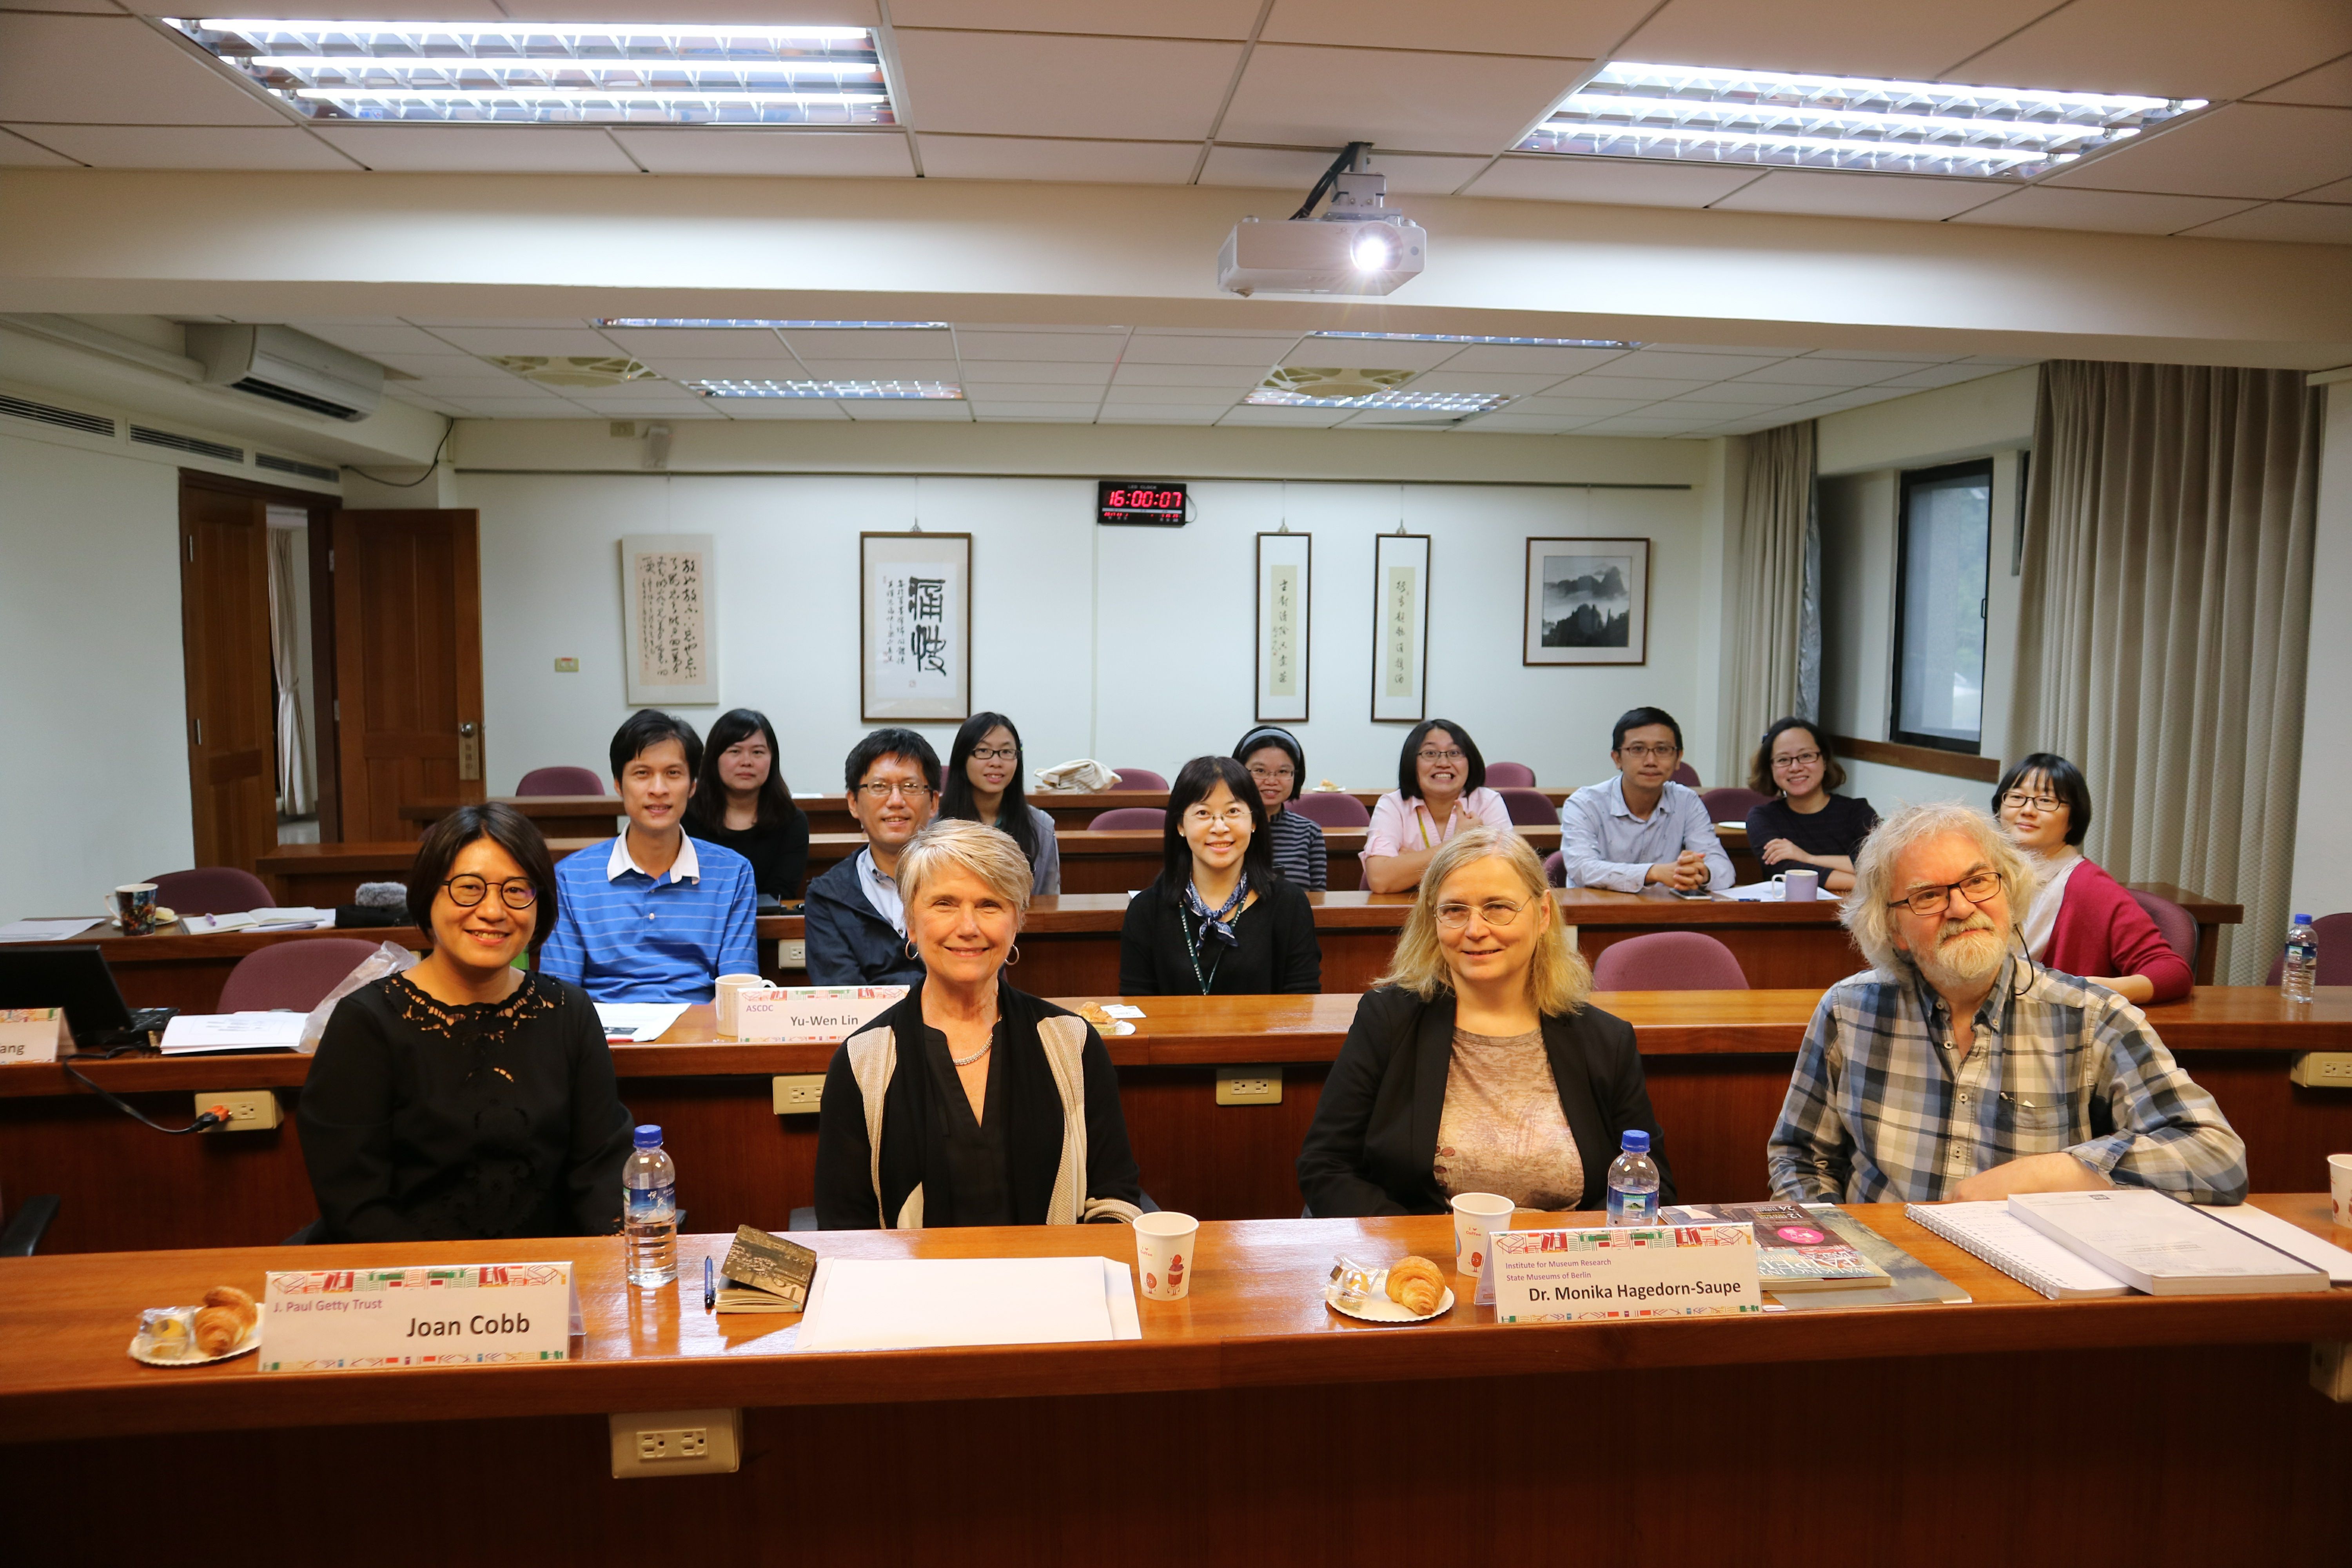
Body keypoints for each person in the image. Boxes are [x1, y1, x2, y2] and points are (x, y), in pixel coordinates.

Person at [1766, 801, 2245, 1206]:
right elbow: (1800, 1156)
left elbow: (2217, 1158)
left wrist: (2055, 1173)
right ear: (1894, 931)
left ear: (2010, 890)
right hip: (1886, 1275)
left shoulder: (2093, 1018)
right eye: (1928, 896)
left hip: (2035, 1287)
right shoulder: (1849, 1011)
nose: (1961, 907)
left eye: (1978, 882)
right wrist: (1832, 1245)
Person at [299, 803, 634, 1242]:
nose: (493, 911)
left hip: (544, 1281)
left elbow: (601, 1172)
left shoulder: (568, 1012)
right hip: (407, 1286)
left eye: (516, 891)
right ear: (428, 895)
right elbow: (356, 1202)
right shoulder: (367, 1023)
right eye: (469, 888)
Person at [1297, 828, 1672, 1217]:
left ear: (1543, 914)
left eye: (1498, 907)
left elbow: (1653, 1184)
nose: (1476, 930)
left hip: (1559, 1269)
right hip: (1424, 1265)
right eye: (1455, 910)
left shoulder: (1605, 1039)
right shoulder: (1388, 1020)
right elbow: (1325, 1165)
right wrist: (1425, 1248)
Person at [814, 819, 1145, 1228]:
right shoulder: (863, 1059)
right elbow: (845, 1229)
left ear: (1017, 920)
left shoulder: (1072, 1042)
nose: (968, 928)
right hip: (912, 1289)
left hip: (1055, 1284)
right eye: (945, 904)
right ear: (911, 923)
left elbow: (1115, 1198)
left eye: (990, 905)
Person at [540, 710, 757, 1002]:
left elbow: (739, 995)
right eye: (642, 774)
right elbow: (559, 997)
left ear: (693, 785)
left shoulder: (733, 873)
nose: (658, 790)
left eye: (673, 773)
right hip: (602, 1038)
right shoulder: (571, 877)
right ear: (618, 784)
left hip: (698, 1036)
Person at [1993, 752, 2191, 1005]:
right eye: (2017, 798)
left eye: (2045, 801)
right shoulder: (1981, 872)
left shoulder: (2090, 886)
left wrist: (2086, 991)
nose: (2028, 810)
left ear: (2073, 818)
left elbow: (2173, 973)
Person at [1118, 756, 1321, 995]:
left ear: (1254, 820)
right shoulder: (1146, 909)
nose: (1220, 827)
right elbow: (1137, 1008)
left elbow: (1303, 1005)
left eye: (1233, 811)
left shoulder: (1289, 903)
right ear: (1181, 825)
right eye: (1203, 813)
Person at [804, 728, 940, 986]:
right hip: (864, 1027)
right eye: (879, 787)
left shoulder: (962, 883)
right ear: (853, 803)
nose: (896, 800)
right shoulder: (829, 895)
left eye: (910, 786)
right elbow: (842, 996)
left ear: (933, 802)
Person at [1559, 706, 1733, 893]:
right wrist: (1653, 873)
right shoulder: (1585, 804)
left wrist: (1700, 872)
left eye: (1662, 749)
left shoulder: (1686, 801)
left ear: (1678, 758)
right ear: (1617, 758)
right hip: (1600, 917)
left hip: (1671, 916)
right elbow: (1582, 869)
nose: (1651, 760)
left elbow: (1723, 868)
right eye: (1638, 749)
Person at [1361, 719, 1513, 894]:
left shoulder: (1488, 802)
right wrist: (1461, 843)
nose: (1443, 763)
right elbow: (1380, 879)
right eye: (1431, 753)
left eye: (1455, 753)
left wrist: (1412, 866)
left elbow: (1505, 875)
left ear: (1470, 760)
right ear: (1412, 761)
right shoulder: (1393, 805)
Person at [684, 707, 809, 901]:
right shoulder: (686, 816)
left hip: (765, 925)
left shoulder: (791, 821)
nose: (747, 762)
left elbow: (781, 893)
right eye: (735, 751)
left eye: (758, 752)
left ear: (772, 760)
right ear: (714, 759)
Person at [1744, 717, 1877, 893]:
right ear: (1770, 768)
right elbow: (1786, 871)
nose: (1796, 767)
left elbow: (1878, 865)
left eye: (1806, 756)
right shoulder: (1762, 818)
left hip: (1856, 917)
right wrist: (1865, 883)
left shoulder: (1857, 811)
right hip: (1788, 916)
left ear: (1825, 761)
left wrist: (1807, 858)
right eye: (1783, 760)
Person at [938, 711, 1059, 896]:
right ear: (962, 758)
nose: (996, 762)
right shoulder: (934, 823)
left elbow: (1049, 901)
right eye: (983, 751)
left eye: (1006, 752)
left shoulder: (1041, 826)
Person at [1234, 724, 1327, 891]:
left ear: (1296, 776)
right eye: (1260, 771)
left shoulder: (1309, 832)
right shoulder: (1226, 828)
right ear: (1240, 772)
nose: (1271, 781)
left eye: (1283, 772)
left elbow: (1317, 899)